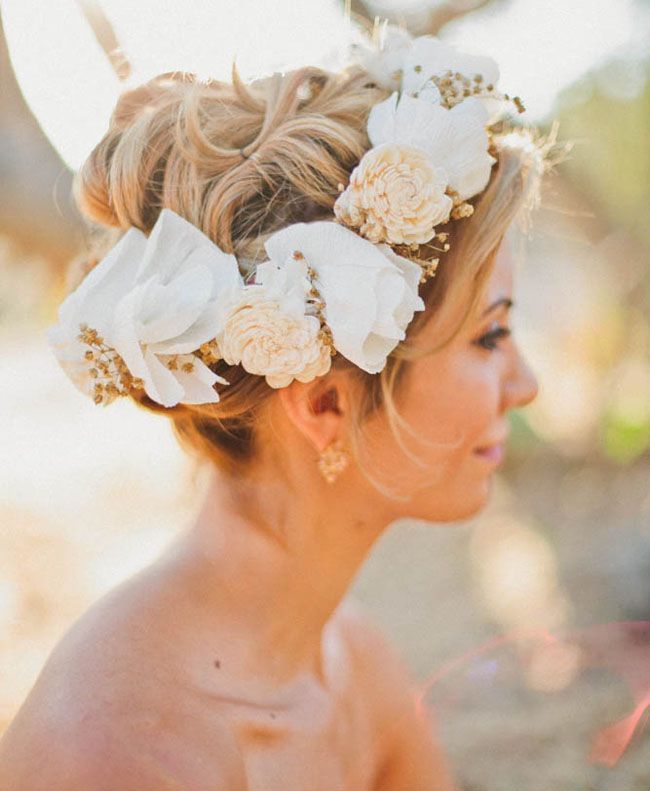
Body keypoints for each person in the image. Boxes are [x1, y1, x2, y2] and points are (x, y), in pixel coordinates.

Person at [0, 28, 548, 790]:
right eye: (490, 335)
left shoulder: (359, 670)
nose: (526, 386)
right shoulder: (116, 757)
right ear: (324, 402)